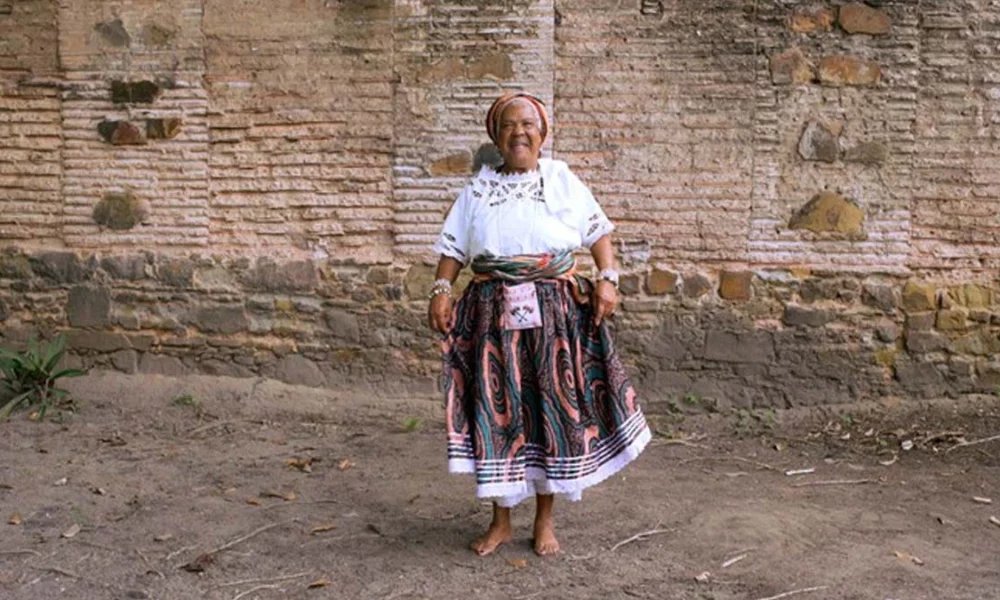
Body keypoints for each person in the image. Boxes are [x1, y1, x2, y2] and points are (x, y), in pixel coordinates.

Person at [428, 92, 650, 557]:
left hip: (553, 312)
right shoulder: (477, 190)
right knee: (498, 412)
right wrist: (441, 291)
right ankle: (501, 521)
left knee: (550, 408)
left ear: (543, 133)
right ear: (496, 135)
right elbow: (453, 250)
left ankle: (545, 520)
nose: (519, 133)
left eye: (528, 124)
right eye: (509, 125)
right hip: (492, 314)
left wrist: (608, 280)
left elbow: (599, 233)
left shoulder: (561, 180)